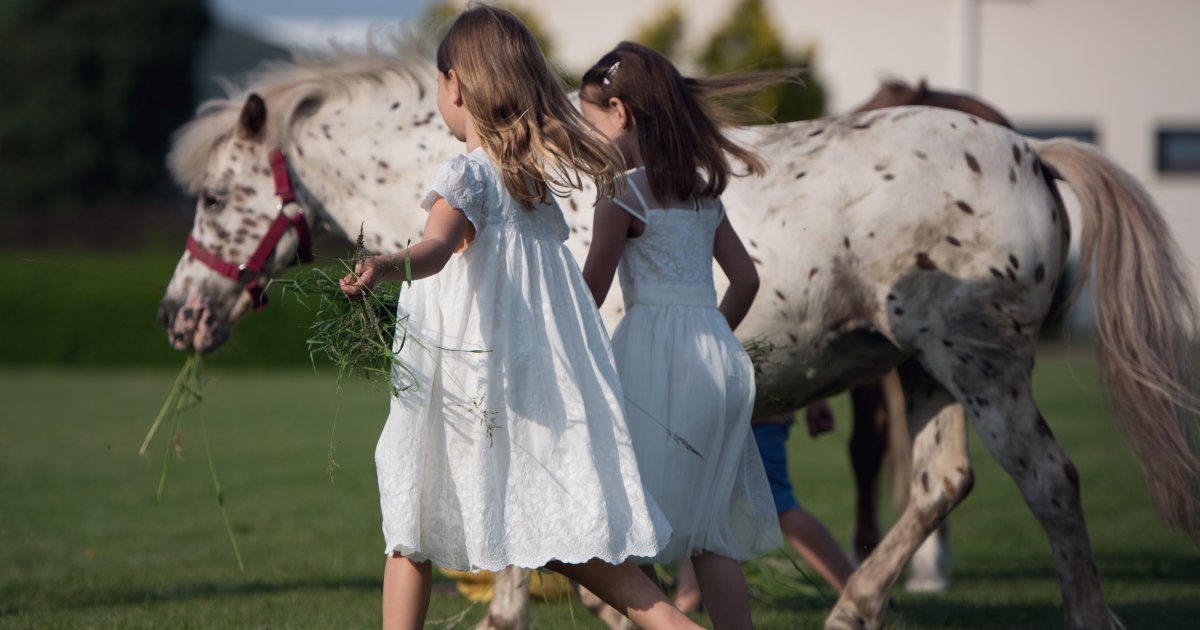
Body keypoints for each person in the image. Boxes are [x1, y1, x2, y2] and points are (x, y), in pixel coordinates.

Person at [339, 7, 699, 629]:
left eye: (438, 87)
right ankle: (674, 625)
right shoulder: (530, 183)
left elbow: (436, 247)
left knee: (410, 522)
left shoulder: (466, 175)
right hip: (528, 379)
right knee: (569, 528)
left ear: (456, 84)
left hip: (465, 385)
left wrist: (388, 264)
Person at [578, 41, 786, 629]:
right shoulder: (701, 191)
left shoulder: (623, 195)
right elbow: (744, 279)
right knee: (708, 530)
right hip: (717, 360)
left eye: (592, 125)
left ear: (620, 112)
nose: (593, 141)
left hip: (655, 361)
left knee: (623, 510)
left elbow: (590, 292)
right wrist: (711, 334)